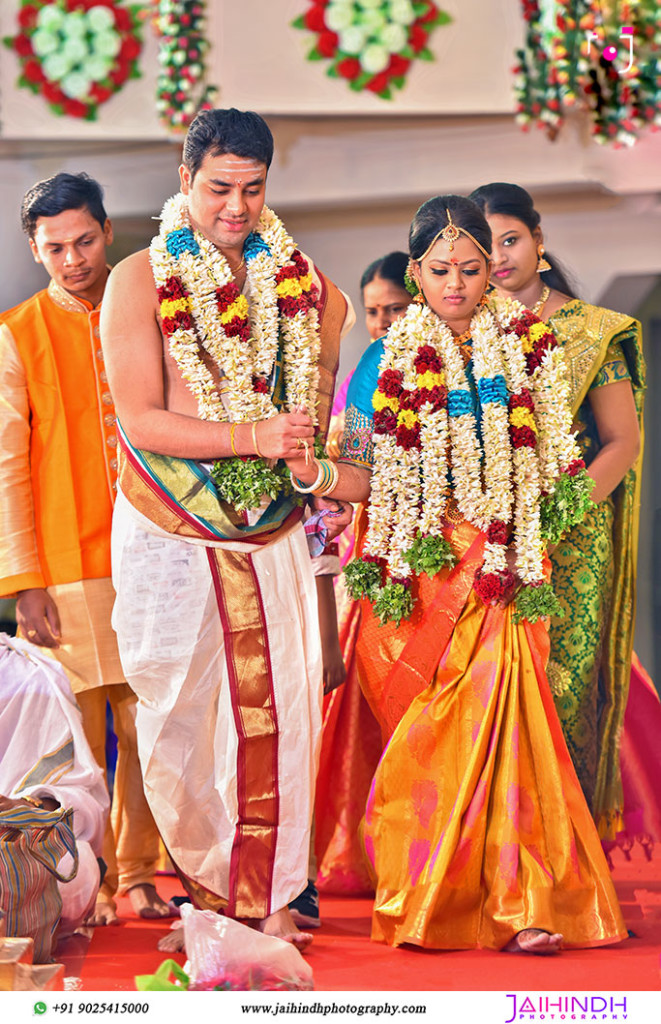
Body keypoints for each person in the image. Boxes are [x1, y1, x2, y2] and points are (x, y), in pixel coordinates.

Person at [286, 195, 627, 952]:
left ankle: (524, 900)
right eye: (439, 270)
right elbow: (366, 472)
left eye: (471, 270)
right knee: (426, 738)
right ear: (415, 272)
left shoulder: (530, 346)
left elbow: (553, 463)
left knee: (507, 727)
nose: (456, 285)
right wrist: (313, 474)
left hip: (501, 566)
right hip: (413, 573)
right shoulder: (383, 357)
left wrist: (531, 518)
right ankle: (428, 896)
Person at [100, 108, 354, 952]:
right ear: (184, 183)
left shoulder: (306, 286)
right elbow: (139, 417)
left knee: (276, 714)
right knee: (178, 712)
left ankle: (272, 897)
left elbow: (312, 414)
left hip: (268, 532)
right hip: (168, 529)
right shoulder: (138, 279)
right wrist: (247, 437)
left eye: (252, 189)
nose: (235, 207)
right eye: (218, 189)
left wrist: (319, 459)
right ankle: (209, 897)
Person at [0, 173, 168, 927]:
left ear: (109, 232)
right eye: (56, 247)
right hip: (66, 564)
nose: (74, 260)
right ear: (35, 251)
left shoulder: (153, 313)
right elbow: (6, 462)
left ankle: (137, 871)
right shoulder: (17, 333)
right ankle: (83, 876)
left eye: (85, 241)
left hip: (158, 551)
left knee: (150, 725)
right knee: (77, 732)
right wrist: (22, 577)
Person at [470, 182, 644, 844]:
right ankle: (493, 858)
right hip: (481, 539)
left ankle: (562, 860)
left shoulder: (591, 331)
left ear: (538, 242)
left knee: (559, 688)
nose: (500, 256)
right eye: (485, 246)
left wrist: (551, 516)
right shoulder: (461, 330)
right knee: (481, 689)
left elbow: (621, 443)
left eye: (510, 239)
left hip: (568, 537)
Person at [315, 251, 410, 896]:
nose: (381, 323)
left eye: (394, 309)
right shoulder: (360, 378)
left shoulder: (462, 361)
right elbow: (345, 471)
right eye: (372, 312)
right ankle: (380, 852)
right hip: (368, 563)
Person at [0, 632, 109, 936]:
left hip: (14, 847)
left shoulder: (27, 677)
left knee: (70, 864)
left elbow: (81, 797)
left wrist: (32, 807)